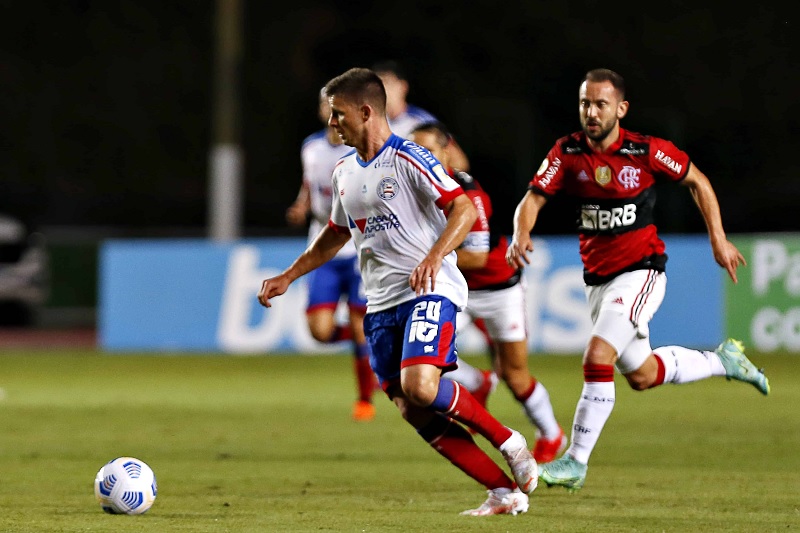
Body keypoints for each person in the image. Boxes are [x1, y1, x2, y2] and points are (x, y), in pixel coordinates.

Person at [259, 67, 538, 516]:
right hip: (382, 303)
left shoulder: (409, 157)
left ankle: (508, 439)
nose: (332, 124)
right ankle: (503, 493)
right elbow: (334, 234)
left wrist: (434, 256)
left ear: (366, 111)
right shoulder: (345, 171)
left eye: (338, 115)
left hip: (429, 289)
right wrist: (289, 276)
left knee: (420, 386)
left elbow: (463, 209)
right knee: (413, 410)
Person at [506, 68, 771, 492]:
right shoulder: (567, 151)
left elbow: (697, 181)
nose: (591, 112)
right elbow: (533, 198)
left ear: (621, 109)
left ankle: (575, 461)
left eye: (601, 104)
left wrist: (718, 240)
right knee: (643, 374)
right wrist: (521, 231)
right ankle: (725, 361)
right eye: (585, 103)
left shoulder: (645, 151)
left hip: (641, 271)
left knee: (597, 358)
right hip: (598, 280)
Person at [408, 121, 567, 463]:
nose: (420, 158)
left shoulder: (470, 194)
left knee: (514, 375)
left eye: (429, 151)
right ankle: (477, 383)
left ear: (446, 153)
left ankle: (552, 435)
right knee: (425, 359)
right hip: (454, 289)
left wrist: (424, 260)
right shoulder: (411, 188)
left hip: (499, 289)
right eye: (415, 151)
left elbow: (478, 257)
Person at [285, 87, 376, 422]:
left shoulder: (362, 151)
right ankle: (369, 352)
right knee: (320, 331)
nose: (332, 112)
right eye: (327, 105)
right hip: (322, 244)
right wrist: (301, 206)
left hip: (357, 247)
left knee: (358, 325)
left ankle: (365, 398)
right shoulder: (311, 147)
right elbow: (310, 185)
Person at [371, 60, 470, 171]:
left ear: (403, 86)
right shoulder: (371, 122)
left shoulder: (422, 120)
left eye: (387, 82)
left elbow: (460, 163)